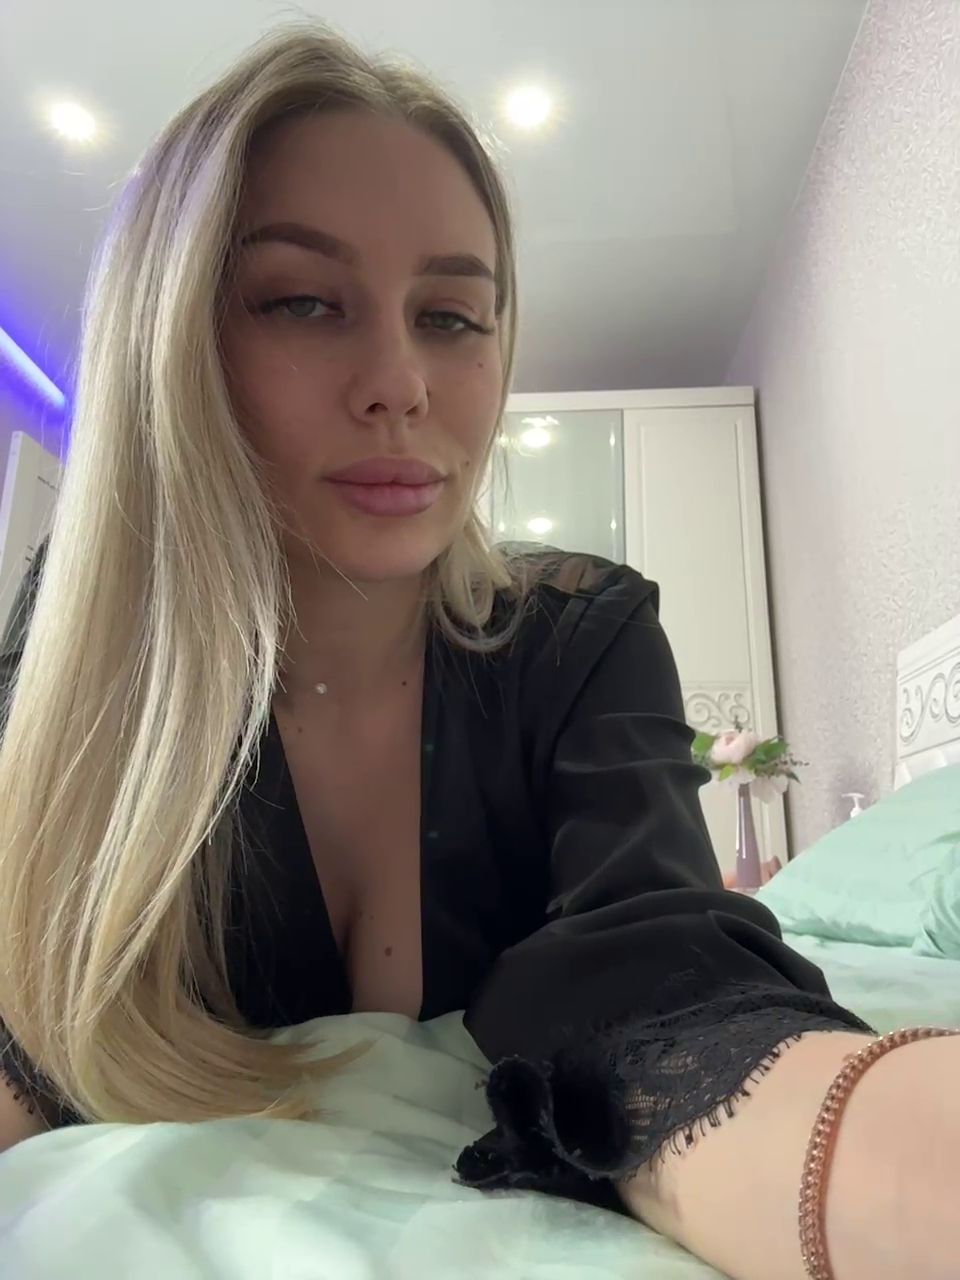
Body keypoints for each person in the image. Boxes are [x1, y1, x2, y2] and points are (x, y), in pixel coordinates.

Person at [0, 24, 956, 1280]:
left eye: (452, 315)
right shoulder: (81, 659)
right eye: (302, 301)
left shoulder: (582, 635)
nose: (401, 382)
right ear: (172, 342)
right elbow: (34, 1017)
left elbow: (666, 992)